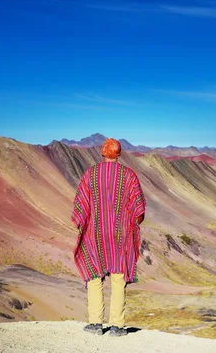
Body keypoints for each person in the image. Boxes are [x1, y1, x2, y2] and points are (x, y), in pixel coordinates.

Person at [71, 138, 146, 336]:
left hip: (95, 233)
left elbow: (80, 204)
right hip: (120, 234)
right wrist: (132, 222)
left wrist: (82, 223)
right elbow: (138, 208)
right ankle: (117, 326)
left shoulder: (91, 174)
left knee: (95, 276)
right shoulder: (128, 176)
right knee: (118, 277)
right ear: (119, 154)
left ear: (102, 153)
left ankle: (95, 324)